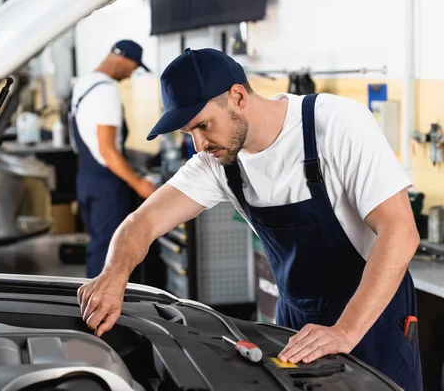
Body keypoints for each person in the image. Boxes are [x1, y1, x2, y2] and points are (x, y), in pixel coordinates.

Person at [76, 48, 422, 390]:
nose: (199, 145)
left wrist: (346, 330)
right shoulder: (219, 162)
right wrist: (114, 273)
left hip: (372, 319)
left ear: (238, 97)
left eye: (203, 125)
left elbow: (400, 232)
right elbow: (142, 223)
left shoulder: (335, 124)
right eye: (188, 133)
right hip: (296, 320)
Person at [70, 40, 157, 278]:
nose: (130, 75)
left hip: (87, 178)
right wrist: (138, 183)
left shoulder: (84, 83)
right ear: (123, 59)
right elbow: (108, 150)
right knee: (109, 252)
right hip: (105, 183)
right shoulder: (105, 91)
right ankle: (101, 310)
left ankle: (92, 307)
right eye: (133, 67)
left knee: (98, 246)